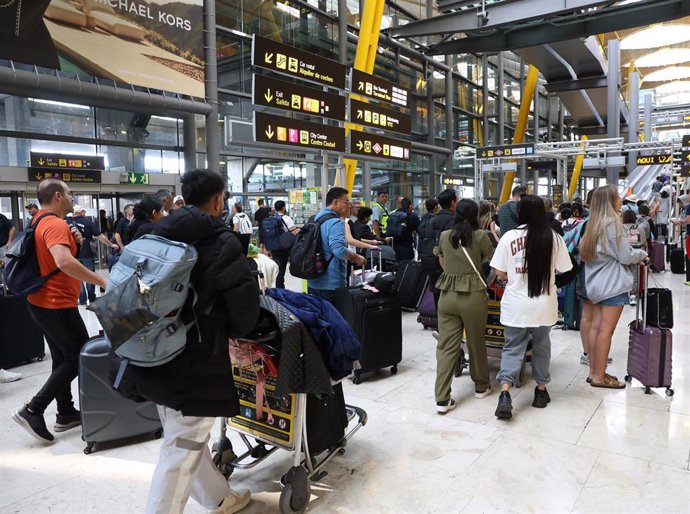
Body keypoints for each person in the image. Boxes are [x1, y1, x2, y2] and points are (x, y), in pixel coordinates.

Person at [114, 169, 260, 514]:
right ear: (218, 199)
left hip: (146, 347)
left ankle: (219, 498)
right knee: (182, 446)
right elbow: (242, 310)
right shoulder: (221, 241)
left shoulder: (154, 232)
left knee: (185, 436)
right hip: (195, 356)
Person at [11, 179, 107, 442]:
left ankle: (65, 412)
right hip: (56, 303)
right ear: (57, 195)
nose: (72, 196)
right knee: (77, 356)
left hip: (43, 302)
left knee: (61, 357)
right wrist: (101, 280)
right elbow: (63, 262)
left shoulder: (40, 220)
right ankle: (33, 409)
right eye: (68, 192)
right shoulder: (53, 223)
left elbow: (57, 255)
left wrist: (74, 241)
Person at [490, 195, 572, 419]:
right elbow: (565, 268)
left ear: (520, 214)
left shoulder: (508, 237)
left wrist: (512, 275)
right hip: (543, 305)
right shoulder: (553, 237)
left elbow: (498, 271)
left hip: (516, 305)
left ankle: (505, 393)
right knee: (541, 347)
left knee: (512, 347)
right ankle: (540, 391)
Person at [580, 185, 647, 389]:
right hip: (612, 284)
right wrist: (642, 255)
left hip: (596, 284)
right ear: (610, 201)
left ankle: (594, 372)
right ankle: (600, 376)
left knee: (596, 328)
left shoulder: (592, 224)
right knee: (605, 331)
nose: (621, 198)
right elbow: (626, 256)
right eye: (617, 196)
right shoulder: (612, 224)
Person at [434, 199, 494, 414]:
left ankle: (442, 398)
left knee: (446, 346)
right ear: (476, 215)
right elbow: (494, 262)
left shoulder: (444, 236)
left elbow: (441, 262)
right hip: (473, 296)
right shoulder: (480, 236)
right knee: (476, 342)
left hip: (447, 295)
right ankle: (480, 386)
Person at [307, 187, 367, 303]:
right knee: (334, 319)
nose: (349, 205)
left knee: (321, 317)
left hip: (314, 279)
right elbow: (339, 250)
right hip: (331, 284)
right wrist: (357, 257)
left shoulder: (314, 219)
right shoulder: (335, 222)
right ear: (335, 202)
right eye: (346, 202)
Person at [71, 206, 118, 305]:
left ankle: (82, 299)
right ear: (80, 212)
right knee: (89, 274)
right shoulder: (87, 222)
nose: (85, 213)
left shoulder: (67, 221)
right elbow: (99, 236)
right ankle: (91, 298)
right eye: (84, 211)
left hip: (73, 252)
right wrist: (111, 244)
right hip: (86, 252)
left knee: (76, 275)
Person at [270, 200, 300, 289]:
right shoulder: (287, 218)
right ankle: (280, 287)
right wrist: (298, 231)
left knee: (276, 266)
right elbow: (293, 232)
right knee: (281, 268)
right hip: (283, 247)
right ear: (283, 208)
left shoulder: (272, 218)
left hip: (273, 246)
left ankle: (277, 286)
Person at [390, 197, 420, 262]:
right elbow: (419, 230)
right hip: (406, 245)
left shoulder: (394, 214)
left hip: (394, 245)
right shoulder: (412, 215)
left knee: (397, 267)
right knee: (407, 267)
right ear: (410, 205)